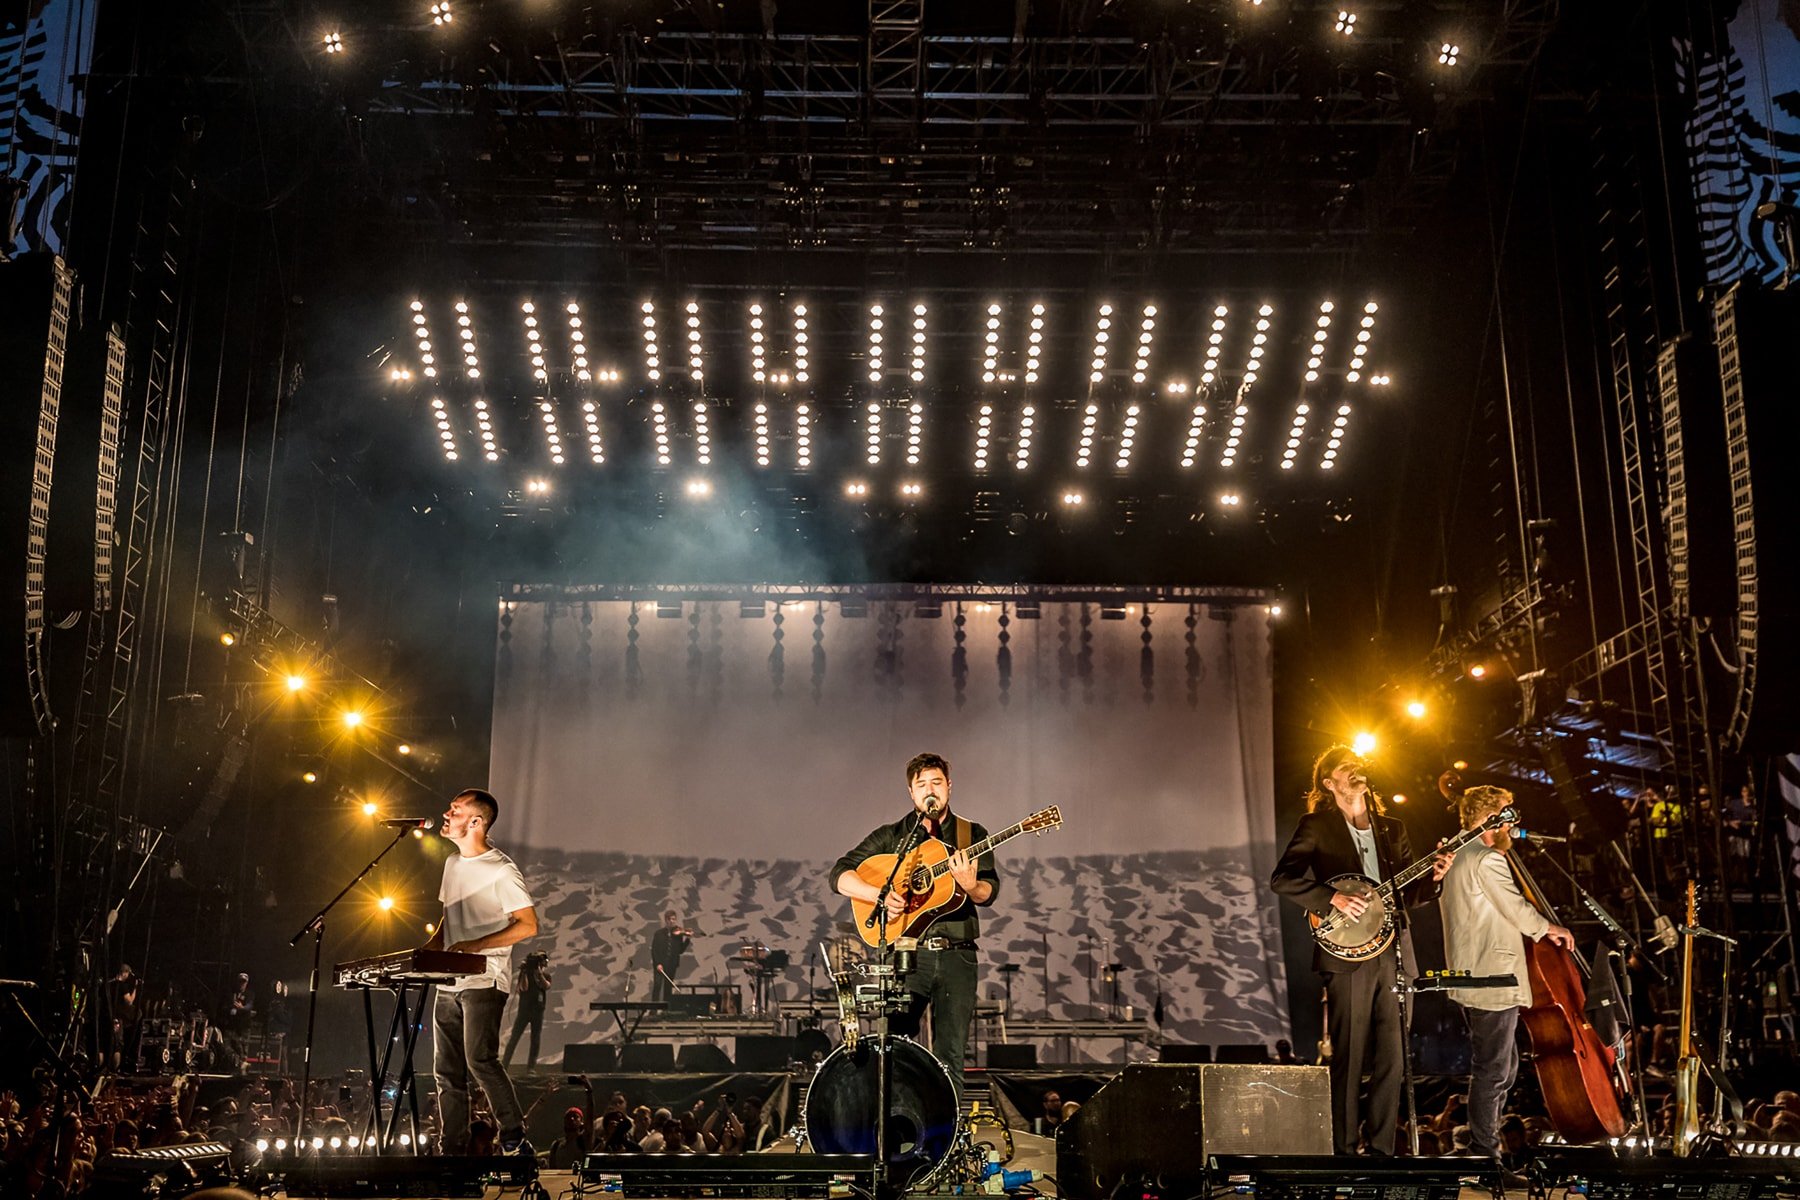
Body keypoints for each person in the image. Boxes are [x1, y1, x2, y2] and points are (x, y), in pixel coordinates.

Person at [1270, 745, 1449, 1155]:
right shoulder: (1316, 825)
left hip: (1394, 951)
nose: (1355, 771)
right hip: (1346, 954)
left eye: (1358, 765)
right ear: (1329, 782)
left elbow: (1407, 893)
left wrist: (1435, 878)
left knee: (1393, 1058)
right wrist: (1330, 897)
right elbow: (1282, 879)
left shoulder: (1392, 828)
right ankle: (1345, 1153)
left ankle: (1383, 1153)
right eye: (1344, 768)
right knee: (1349, 1058)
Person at [831, 751, 999, 1095]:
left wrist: (969, 885)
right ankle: (896, 1123)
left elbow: (988, 892)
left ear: (949, 787)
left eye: (936, 782)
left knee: (951, 1052)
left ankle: (946, 1135)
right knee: (894, 1043)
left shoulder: (972, 834)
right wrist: (878, 892)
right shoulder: (892, 836)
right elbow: (839, 874)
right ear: (911, 792)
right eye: (921, 785)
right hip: (908, 955)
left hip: (957, 955)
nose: (930, 790)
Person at [1438, 784, 1574, 1163]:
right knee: (1494, 1070)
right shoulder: (1485, 857)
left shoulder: (1458, 853)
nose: (1514, 821)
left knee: (1502, 1067)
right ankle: (1484, 1154)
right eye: (1507, 811)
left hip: (1473, 974)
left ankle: (1473, 1142)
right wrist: (1550, 928)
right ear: (1489, 817)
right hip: (1492, 976)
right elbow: (1514, 907)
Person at [424, 787, 539, 1156]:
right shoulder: (452, 864)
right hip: (448, 980)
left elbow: (528, 925)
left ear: (476, 822)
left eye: (455, 811)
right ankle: (452, 1149)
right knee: (446, 1071)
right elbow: (450, 918)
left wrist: (474, 945)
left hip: (485, 978)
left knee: (479, 1060)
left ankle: (513, 1136)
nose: (446, 814)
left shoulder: (502, 869)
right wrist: (429, 951)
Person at [503, 950, 552, 1070]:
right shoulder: (526, 974)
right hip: (524, 1011)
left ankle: (531, 1067)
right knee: (514, 1038)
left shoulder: (545, 976)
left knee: (535, 1039)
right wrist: (524, 973)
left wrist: (539, 974)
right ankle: (504, 1065)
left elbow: (546, 986)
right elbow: (523, 988)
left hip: (538, 1011)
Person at [649, 913, 691, 1003]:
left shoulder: (678, 935)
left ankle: (666, 1010)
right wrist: (658, 963)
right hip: (660, 965)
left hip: (671, 965)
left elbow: (680, 951)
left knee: (668, 988)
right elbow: (654, 950)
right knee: (657, 986)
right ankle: (653, 1010)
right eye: (670, 919)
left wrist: (687, 939)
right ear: (666, 920)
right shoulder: (659, 933)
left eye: (674, 919)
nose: (672, 921)